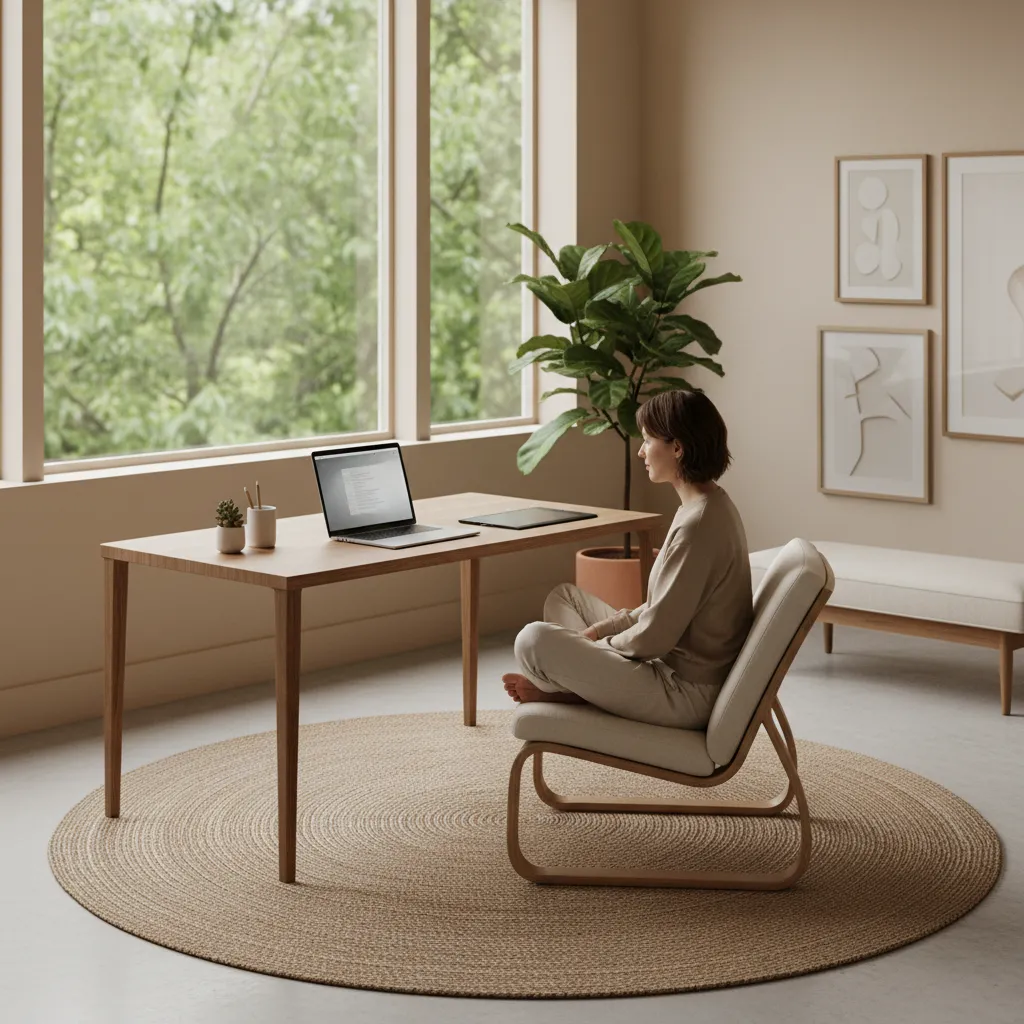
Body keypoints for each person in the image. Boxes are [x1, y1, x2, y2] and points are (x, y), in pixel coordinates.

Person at [503, 390, 753, 729]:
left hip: (682, 691)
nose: (640, 451)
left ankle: (572, 690)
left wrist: (598, 647)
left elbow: (654, 636)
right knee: (565, 598)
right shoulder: (705, 507)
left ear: (677, 448)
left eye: (648, 440)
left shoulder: (698, 526)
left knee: (533, 640)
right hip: (666, 664)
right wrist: (597, 632)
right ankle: (584, 683)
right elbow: (656, 608)